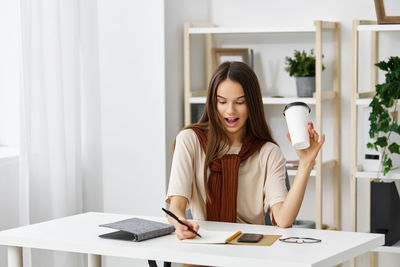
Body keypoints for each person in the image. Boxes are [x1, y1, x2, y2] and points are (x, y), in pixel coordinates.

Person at [166, 61, 325, 243]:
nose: (230, 111)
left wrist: (306, 163)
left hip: (250, 253)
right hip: (202, 249)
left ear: (252, 104)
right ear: (212, 102)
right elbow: (176, 206)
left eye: (240, 102)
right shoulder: (189, 141)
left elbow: (283, 220)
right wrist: (180, 223)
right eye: (222, 102)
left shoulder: (268, 153)